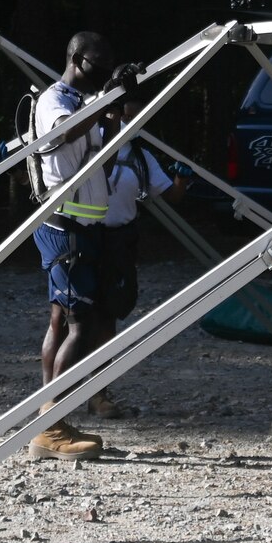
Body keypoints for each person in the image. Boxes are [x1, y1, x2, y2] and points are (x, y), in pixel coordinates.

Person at [27, 30, 132, 462]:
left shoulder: (85, 103)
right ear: (76, 58)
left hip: (83, 227)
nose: (101, 71)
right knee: (78, 325)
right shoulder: (55, 100)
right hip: (64, 225)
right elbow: (57, 137)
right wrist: (103, 100)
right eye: (97, 63)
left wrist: (121, 101)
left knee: (59, 321)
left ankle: (48, 416)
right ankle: (51, 426)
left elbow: (110, 143)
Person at [89, 128, 190, 419]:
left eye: (134, 116)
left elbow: (172, 194)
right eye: (123, 114)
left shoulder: (140, 157)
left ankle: (98, 394)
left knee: (108, 316)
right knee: (75, 318)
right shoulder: (87, 146)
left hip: (120, 241)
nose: (127, 122)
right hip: (84, 237)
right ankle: (58, 399)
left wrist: (183, 177)